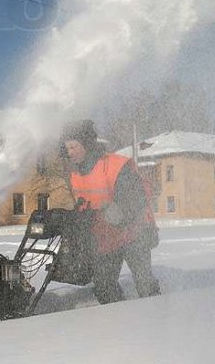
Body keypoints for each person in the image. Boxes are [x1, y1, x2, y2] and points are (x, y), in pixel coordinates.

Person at [61, 119, 161, 304]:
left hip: (135, 233)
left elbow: (137, 198)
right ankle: (117, 321)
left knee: (144, 282)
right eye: (67, 148)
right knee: (103, 285)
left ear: (87, 144)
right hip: (107, 236)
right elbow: (85, 205)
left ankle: (155, 315)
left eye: (74, 146)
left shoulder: (115, 165)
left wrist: (118, 211)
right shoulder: (75, 174)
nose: (70, 152)